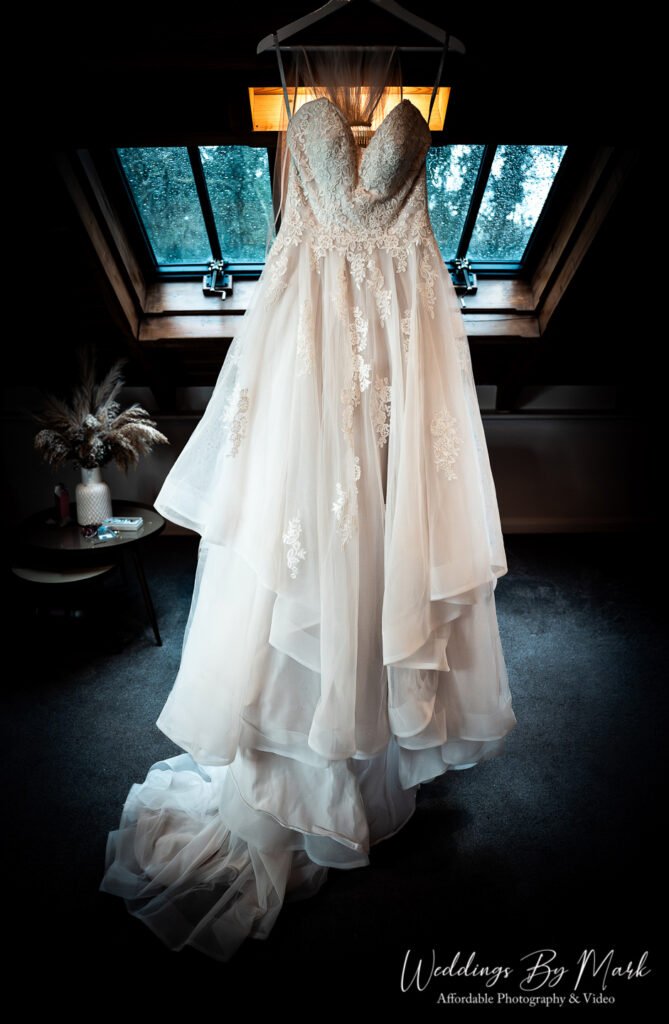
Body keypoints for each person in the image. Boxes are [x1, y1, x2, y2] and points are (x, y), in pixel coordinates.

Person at [100, 43, 516, 962]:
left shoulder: (431, 74)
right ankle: (314, 761)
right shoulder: (291, 76)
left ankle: (360, 749)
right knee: (305, 555)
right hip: (310, 357)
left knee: (381, 544)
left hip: (400, 356)